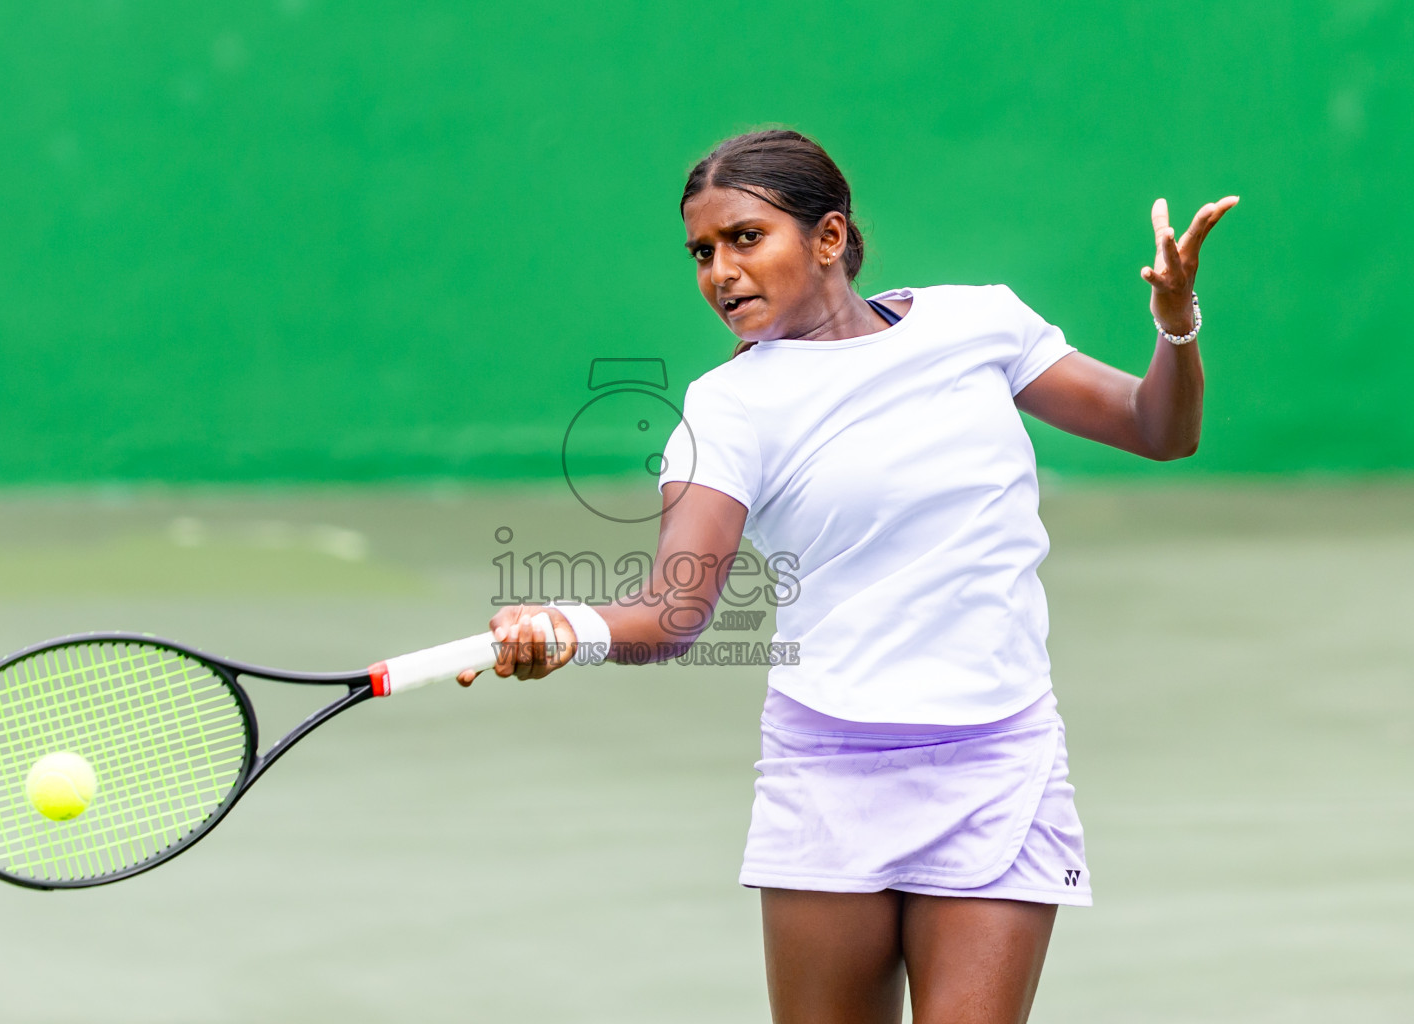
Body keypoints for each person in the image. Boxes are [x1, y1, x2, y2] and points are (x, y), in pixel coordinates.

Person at [457, 129, 1236, 1024]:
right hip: (828, 769)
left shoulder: (978, 324)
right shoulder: (727, 409)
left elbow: (1158, 428)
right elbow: (671, 612)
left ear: (828, 238)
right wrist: (567, 628)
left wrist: (1176, 321)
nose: (720, 272)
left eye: (746, 238)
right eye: (702, 253)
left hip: (996, 760)